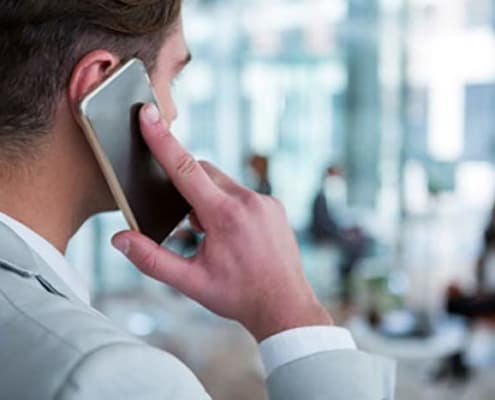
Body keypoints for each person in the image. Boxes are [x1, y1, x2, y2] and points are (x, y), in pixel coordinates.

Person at [0, 1, 395, 399]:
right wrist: (294, 314)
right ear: (101, 84)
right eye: (173, 79)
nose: (171, 113)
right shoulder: (109, 375)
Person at [310, 166, 371, 302]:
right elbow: (324, 224)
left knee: (359, 243)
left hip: (331, 235)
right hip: (324, 238)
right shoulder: (321, 196)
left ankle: (348, 289)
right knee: (355, 247)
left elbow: (333, 220)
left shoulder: (328, 195)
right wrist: (342, 234)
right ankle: (346, 291)